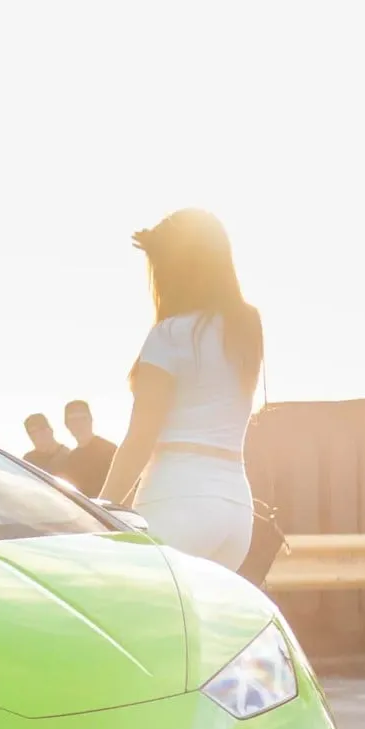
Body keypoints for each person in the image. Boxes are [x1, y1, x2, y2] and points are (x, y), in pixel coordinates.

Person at [99, 211, 262, 566]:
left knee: (140, 615)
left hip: (177, 498)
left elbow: (140, 437)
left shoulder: (169, 335)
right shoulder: (246, 328)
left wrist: (101, 511)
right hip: (236, 510)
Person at [56, 399, 119, 498]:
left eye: (83, 418)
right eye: (73, 420)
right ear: (67, 425)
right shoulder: (70, 460)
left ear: (91, 420)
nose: (79, 424)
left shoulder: (109, 450)